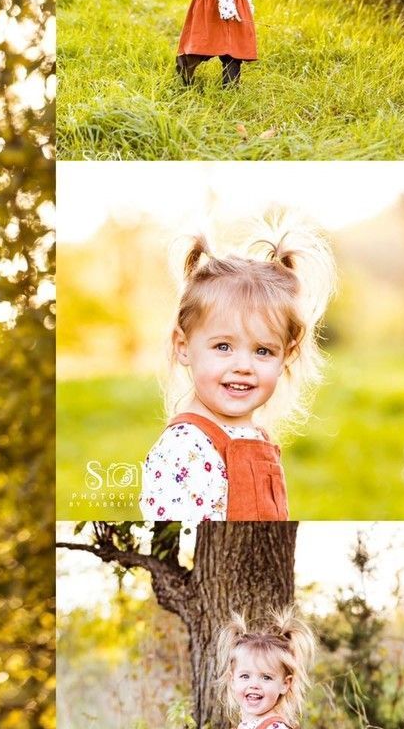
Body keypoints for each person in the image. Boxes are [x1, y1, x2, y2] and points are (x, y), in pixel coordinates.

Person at [139, 221, 335, 522]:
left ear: (286, 356)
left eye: (263, 351)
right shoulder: (184, 448)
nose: (243, 366)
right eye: (223, 347)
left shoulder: (256, 436)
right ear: (183, 346)